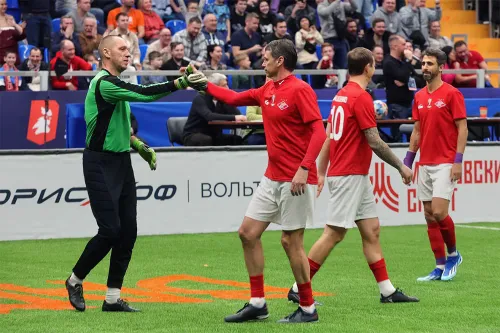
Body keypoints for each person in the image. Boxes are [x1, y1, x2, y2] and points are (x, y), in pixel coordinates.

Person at [186, 39, 326, 323]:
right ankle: (257, 303)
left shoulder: (301, 90)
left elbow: (319, 133)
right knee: (247, 234)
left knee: (291, 242)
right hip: (272, 177)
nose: (261, 62)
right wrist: (202, 84)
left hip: (296, 179)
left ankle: (308, 308)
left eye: (265, 58)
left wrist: (304, 168)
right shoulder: (267, 89)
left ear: (280, 62)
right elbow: (232, 98)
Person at [64, 35, 206, 313]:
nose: (128, 53)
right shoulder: (105, 83)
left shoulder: (115, 84)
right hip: (99, 163)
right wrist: (181, 83)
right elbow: (145, 94)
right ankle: (74, 280)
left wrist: (138, 144)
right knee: (110, 230)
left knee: (128, 232)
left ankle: (112, 298)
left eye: (129, 49)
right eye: (122, 49)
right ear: (106, 52)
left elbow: (119, 127)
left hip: (121, 162)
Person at [286, 47, 419, 305]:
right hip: (348, 174)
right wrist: (401, 167)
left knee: (371, 230)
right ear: (369, 67)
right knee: (333, 233)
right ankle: (297, 288)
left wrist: (322, 170)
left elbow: (329, 135)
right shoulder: (360, 98)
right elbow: (375, 142)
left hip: (352, 174)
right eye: (373, 65)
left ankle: (387, 291)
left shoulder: (341, 95)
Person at [403, 47, 467, 281]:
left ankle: (453, 255)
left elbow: (463, 128)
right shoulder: (419, 96)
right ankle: (439, 266)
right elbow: (417, 131)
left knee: (440, 212)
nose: (425, 68)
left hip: (445, 162)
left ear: (441, 67)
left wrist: (458, 161)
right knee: (429, 215)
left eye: (430, 64)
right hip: (425, 163)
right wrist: (408, 161)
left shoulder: (452, 94)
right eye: (423, 64)